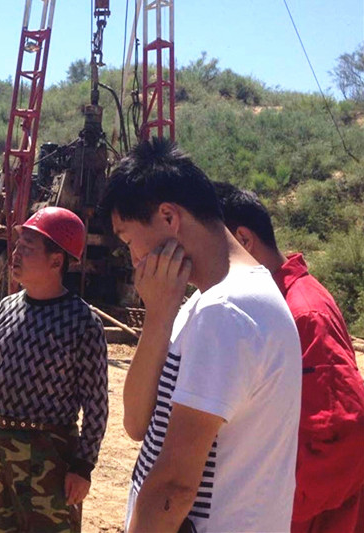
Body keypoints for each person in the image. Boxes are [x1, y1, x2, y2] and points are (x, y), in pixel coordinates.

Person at [99, 139, 302, 533]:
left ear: (168, 216)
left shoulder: (225, 312)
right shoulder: (202, 303)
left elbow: (174, 486)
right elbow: (138, 423)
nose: (133, 258)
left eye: (128, 241)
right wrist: (158, 315)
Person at [215, 182, 364, 533]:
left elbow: (342, 437)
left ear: (243, 239)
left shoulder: (304, 313)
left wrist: (272, 507)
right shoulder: (276, 304)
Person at [0, 206, 108, 533]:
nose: (16, 254)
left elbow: (96, 406)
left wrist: (83, 467)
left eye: (28, 248)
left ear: (56, 261)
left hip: (48, 459)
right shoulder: (6, 309)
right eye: (18, 245)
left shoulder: (82, 322)